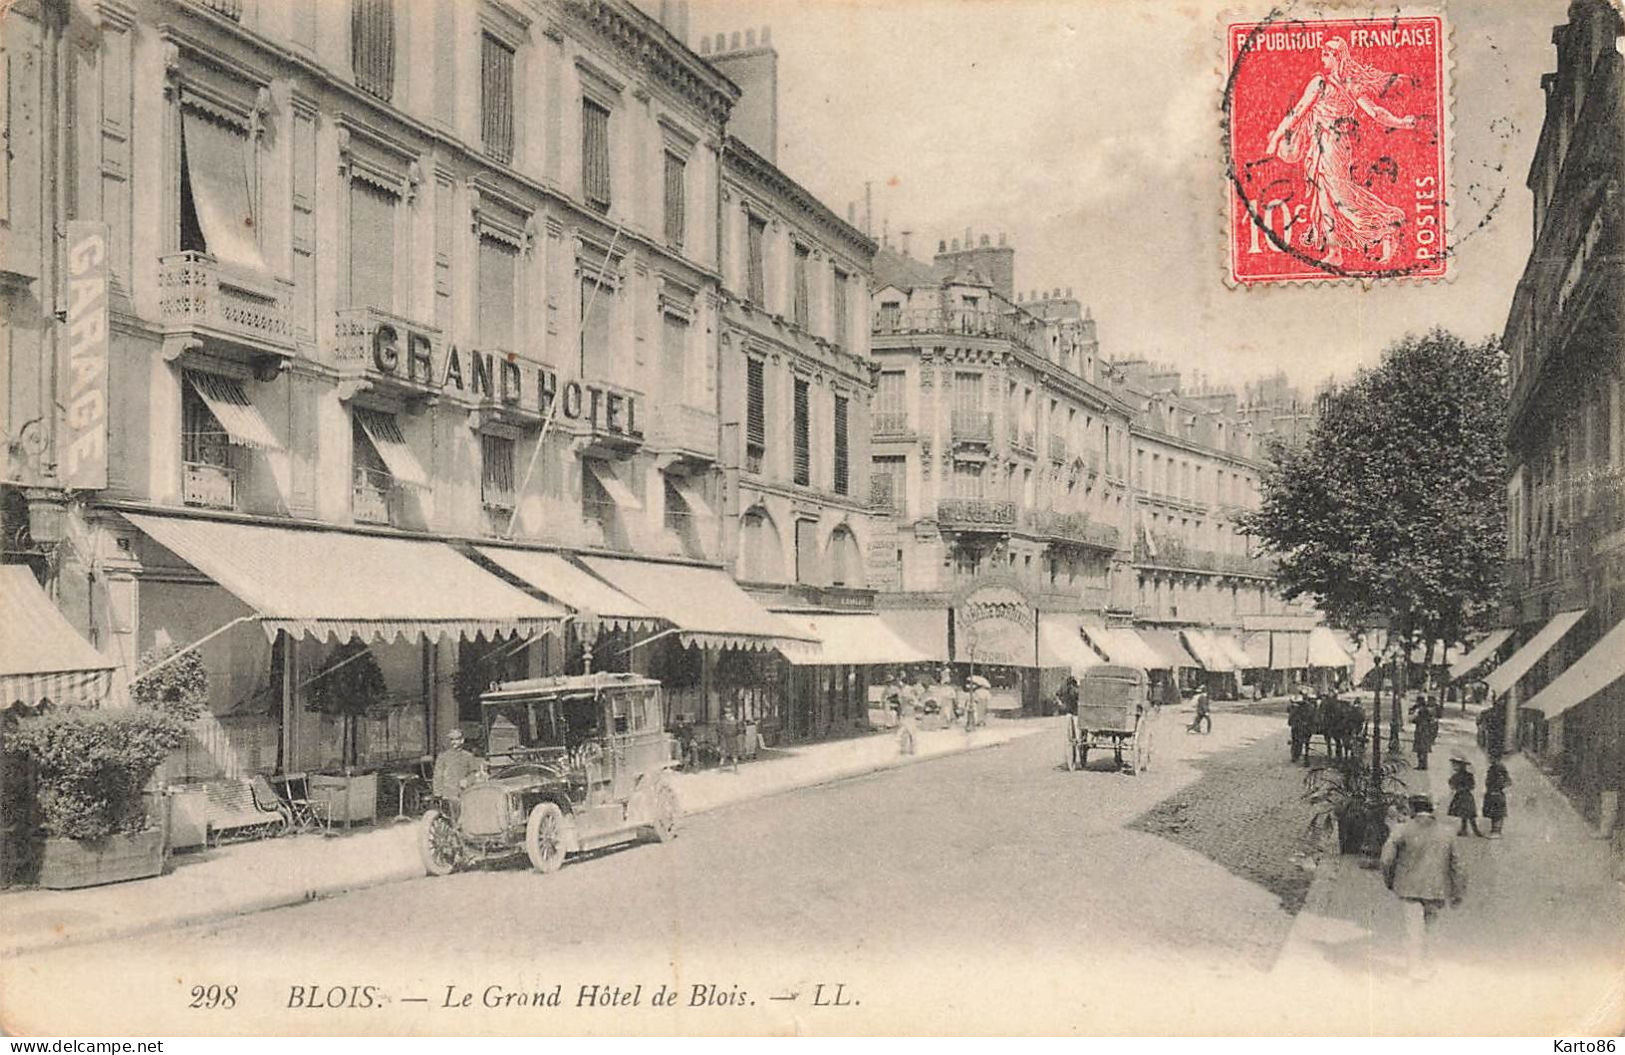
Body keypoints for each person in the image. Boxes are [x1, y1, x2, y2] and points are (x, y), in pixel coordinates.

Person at [1264, 37, 1423, 269]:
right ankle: (1334, 251)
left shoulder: (1324, 83)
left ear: (1337, 57)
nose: (1322, 58)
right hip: (1326, 145)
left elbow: (1298, 113)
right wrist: (1402, 122)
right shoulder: (1344, 84)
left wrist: (1276, 138)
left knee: (1340, 197)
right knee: (1325, 197)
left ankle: (1387, 226)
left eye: (1326, 54)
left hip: (1331, 146)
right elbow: (1375, 113)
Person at [1380, 794, 1464, 977]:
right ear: (1431, 809)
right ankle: (1430, 965)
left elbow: (1386, 860)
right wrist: (1458, 892)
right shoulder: (1447, 831)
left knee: (1412, 929)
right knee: (1431, 927)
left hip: (1408, 888)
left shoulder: (1401, 830)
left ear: (1412, 808)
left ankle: (1414, 969)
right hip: (1436, 889)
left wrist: (1390, 881)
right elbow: (1457, 864)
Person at [432, 729, 480, 802]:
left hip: (464, 792)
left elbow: (474, 773)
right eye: (452, 740)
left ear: (462, 740)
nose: (453, 742)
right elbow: (437, 775)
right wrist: (437, 793)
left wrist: (467, 781)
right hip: (447, 794)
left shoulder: (468, 756)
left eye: (456, 739)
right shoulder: (443, 756)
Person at [1448, 756, 1484, 837]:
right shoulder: (1456, 775)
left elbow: (1472, 785)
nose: (1454, 767)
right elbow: (1452, 784)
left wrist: (1461, 788)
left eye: (1456, 765)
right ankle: (1465, 829)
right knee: (1464, 814)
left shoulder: (1467, 776)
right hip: (1461, 795)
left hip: (1465, 795)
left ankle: (1474, 830)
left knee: (1469, 814)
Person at [1483, 756, 1511, 838]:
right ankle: (1494, 830)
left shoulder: (1498, 769)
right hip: (1492, 793)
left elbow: (1502, 782)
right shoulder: (1493, 768)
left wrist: (1497, 789)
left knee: (1497, 813)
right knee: (1494, 813)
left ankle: (1497, 831)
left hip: (1496, 793)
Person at [896, 674, 920, 756]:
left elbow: (913, 700)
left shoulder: (908, 690)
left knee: (910, 731)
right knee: (905, 732)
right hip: (905, 712)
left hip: (909, 713)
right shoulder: (902, 690)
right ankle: (905, 749)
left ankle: (911, 749)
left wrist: (910, 702)